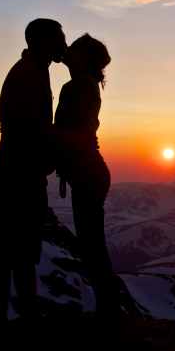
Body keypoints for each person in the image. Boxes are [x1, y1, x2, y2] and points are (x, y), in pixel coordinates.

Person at [0, 19, 90, 326]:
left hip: (20, 170)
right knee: (11, 250)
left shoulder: (33, 71)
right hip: (18, 172)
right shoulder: (29, 74)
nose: (64, 45)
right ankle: (9, 321)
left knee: (17, 249)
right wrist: (73, 140)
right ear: (43, 40)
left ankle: (18, 318)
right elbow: (30, 128)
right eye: (60, 39)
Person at [54, 34, 121, 326]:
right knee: (93, 247)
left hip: (86, 171)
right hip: (88, 172)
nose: (68, 49)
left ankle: (109, 315)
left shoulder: (80, 84)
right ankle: (108, 313)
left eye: (75, 46)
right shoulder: (85, 84)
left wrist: (41, 134)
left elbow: (72, 133)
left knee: (92, 248)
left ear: (84, 56)